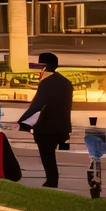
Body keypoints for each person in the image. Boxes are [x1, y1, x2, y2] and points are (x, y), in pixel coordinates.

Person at [16, 51, 74, 189]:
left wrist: (22, 121)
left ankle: (51, 181)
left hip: (46, 127)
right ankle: (52, 180)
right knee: (50, 154)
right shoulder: (65, 82)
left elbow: (38, 105)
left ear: (44, 67)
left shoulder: (46, 83)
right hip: (62, 126)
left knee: (47, 155)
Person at [84, 114, 106, 201]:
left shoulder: (93, 182)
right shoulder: (92, 182)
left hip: (96, 149)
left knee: (95, 161)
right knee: (95, 160)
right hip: (96, 149)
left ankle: (93, 123)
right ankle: (93, 123)